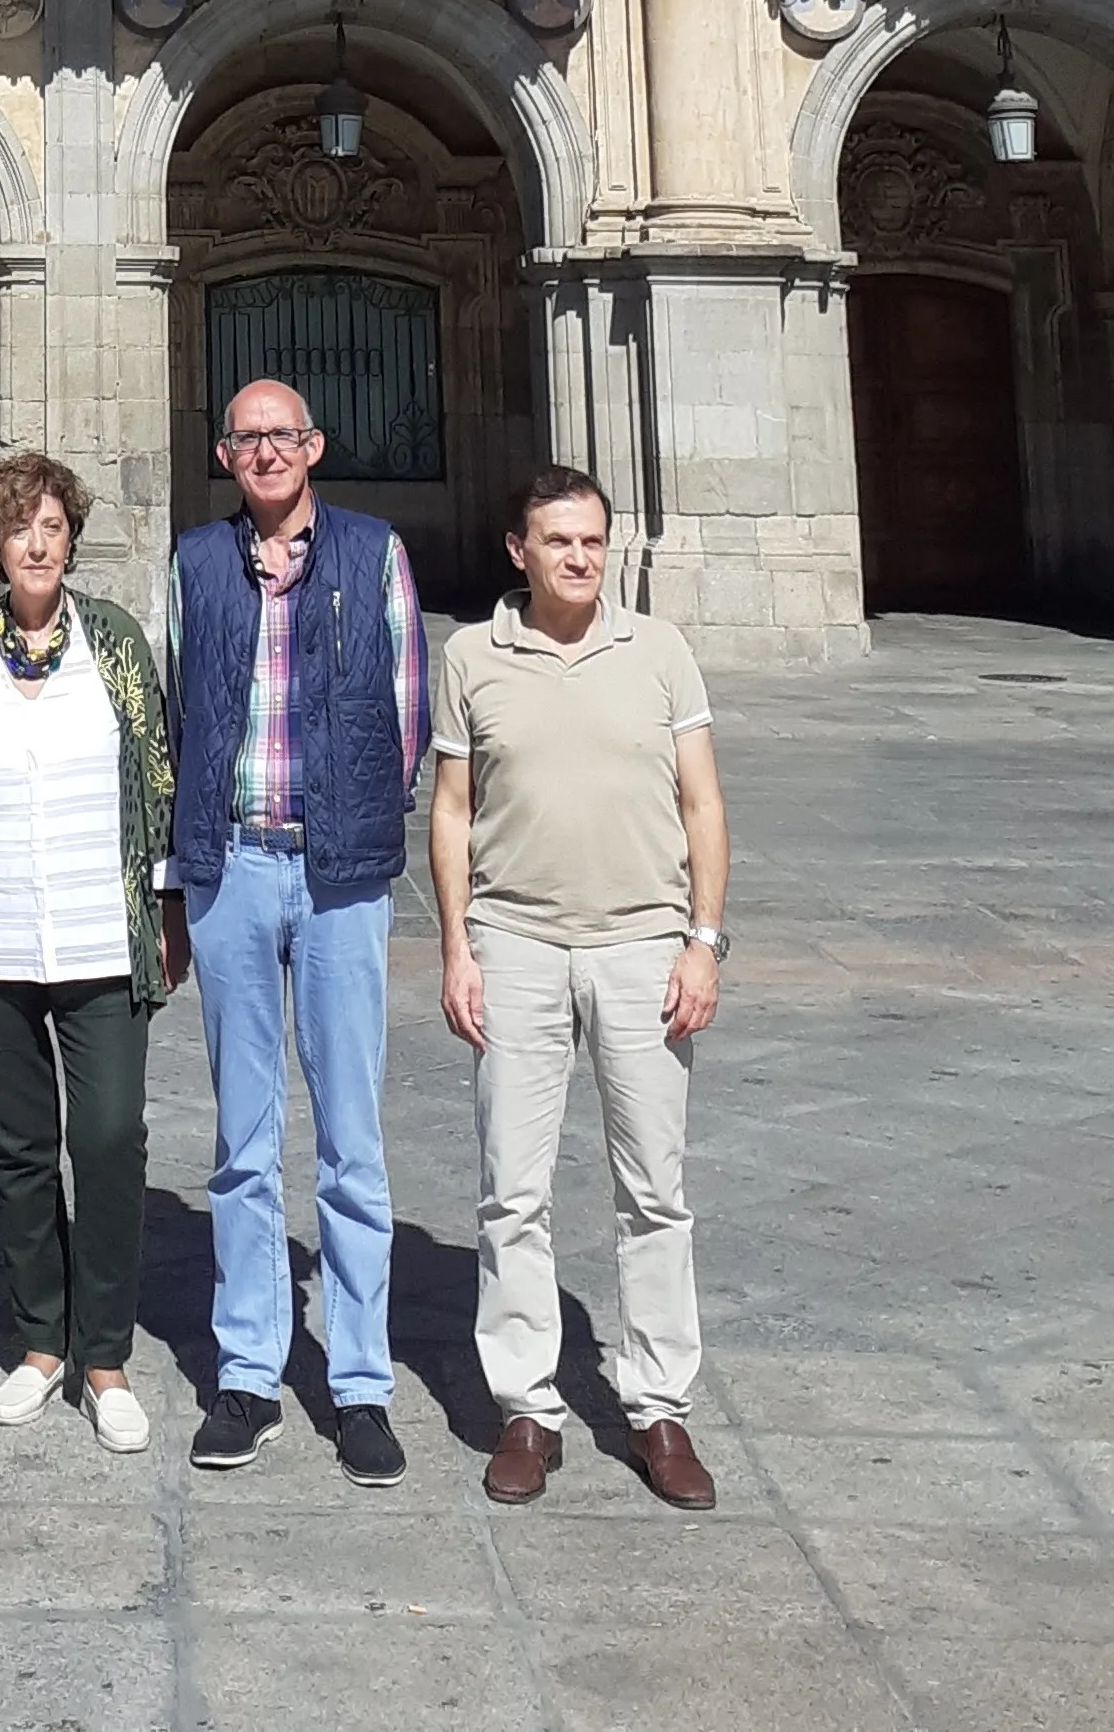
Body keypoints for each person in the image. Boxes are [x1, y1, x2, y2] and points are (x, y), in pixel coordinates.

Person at [430, 465, 729, 1512]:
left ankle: (657, 1405)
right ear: (517, 548)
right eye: (557, 540)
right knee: (511, 1188)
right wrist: (456, 946)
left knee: (653, 1186)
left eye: (593, 540)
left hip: (643, 945)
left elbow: (700, 802)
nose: (578, 557)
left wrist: (702, 942)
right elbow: (452, 809)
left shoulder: (657, 650)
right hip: (514, 942)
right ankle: (525, 1407)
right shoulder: (471, 654)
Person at [165, 378, 427, 1489]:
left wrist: (359, 816)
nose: (264, 451)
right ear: (223, 455)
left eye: (281, 434)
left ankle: (360, 1381)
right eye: (244, 437)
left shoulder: (371, 552)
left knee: (352, 1142)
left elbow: (407, 712)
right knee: (241, 1139)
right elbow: (177, 712)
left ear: (313, 445)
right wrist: (176, 875)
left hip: (337, 872)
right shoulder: (193, 563)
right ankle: (246, 1370)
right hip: (228, 866)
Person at [0, 453, 177, 1454]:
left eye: (52, 525)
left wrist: (165, 906)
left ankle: (103, 1356)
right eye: (19, 528)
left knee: (105, 1141)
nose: (37, 543)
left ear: (69, 537)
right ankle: (38, 1343)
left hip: (100, 936)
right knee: (18, 1153)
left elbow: (155, 770)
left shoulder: (112, 641)